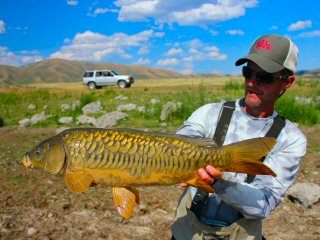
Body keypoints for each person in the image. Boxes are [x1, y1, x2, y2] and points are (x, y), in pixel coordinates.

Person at [171, 34, 307, 240]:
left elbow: (263, 204)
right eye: (248, 72)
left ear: (287, 83)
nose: (252, 83)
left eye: (264, 77)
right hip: (187, 231)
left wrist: (220, 180)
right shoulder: (209, 112)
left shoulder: (291, 139)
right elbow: (181, 140)